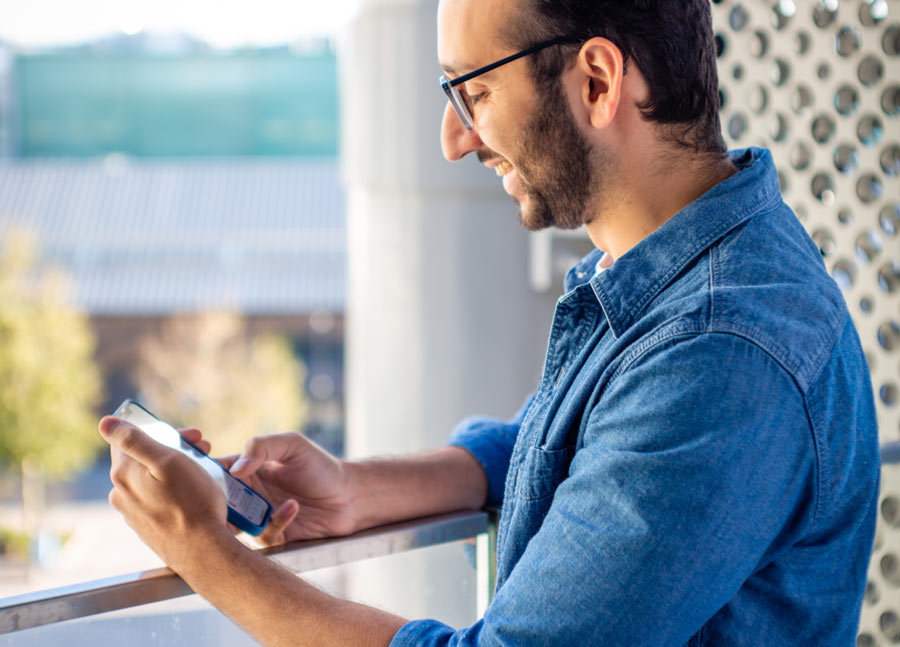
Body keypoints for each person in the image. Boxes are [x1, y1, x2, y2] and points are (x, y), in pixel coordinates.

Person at [99, 0, 880, 645]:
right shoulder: (690, 268)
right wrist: (357, 488)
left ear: (598, 82)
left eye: (470, 92)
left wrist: (203, 549)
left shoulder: (719, 349)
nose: (454, 140)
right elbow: (583, 451)